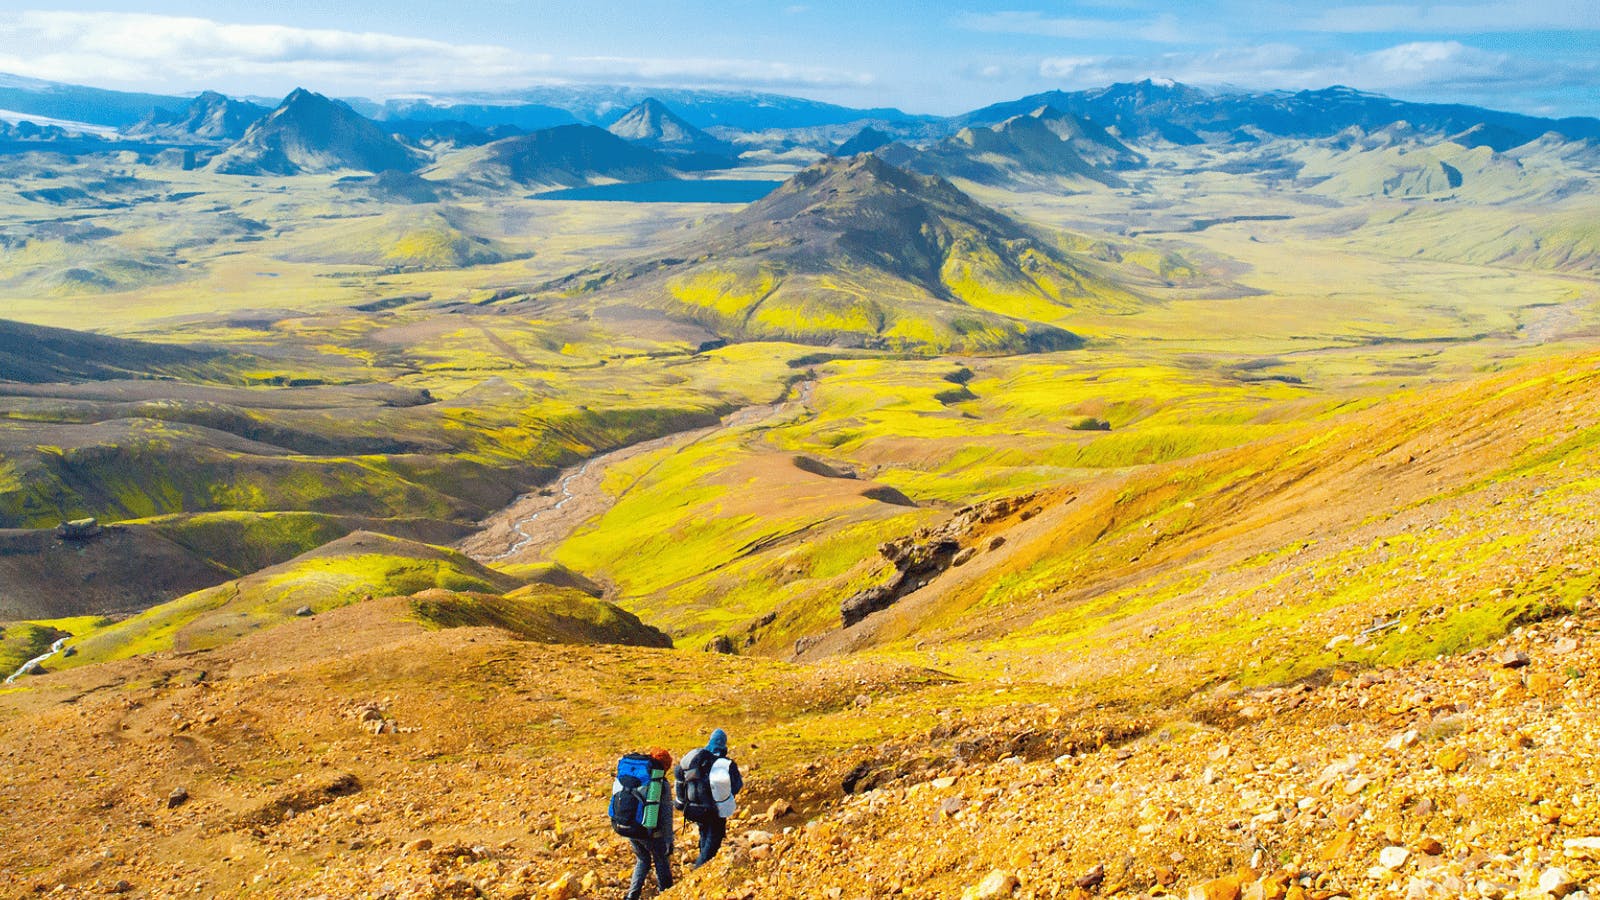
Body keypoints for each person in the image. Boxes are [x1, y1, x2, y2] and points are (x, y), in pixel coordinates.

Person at [675, 728, 743, 868]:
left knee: (704, 834)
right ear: (724, 745)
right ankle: (698, 871)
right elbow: (737, 785)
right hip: (714, 809)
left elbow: (680, 775)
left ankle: (701, 868)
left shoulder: (698, 760)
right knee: (713, 842)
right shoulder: (724, 763)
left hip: (694, 808)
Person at [624, 747, 674, 900]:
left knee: (643, 859)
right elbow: (666, 815)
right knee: (661, 859)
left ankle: (632, 896)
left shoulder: (637, 776)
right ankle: (667, 894)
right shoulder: (660, 784)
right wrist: (668, 841)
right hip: (649, 831)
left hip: (630, 825)